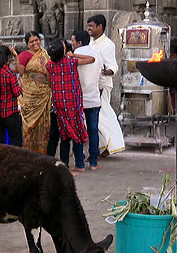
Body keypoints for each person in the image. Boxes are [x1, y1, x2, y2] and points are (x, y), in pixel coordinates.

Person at [46, 39, 89, 171]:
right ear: (64, 50)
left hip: (56, 105)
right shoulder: (71, 62)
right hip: (71, 106)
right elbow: (91, 59)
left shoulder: (49, 65)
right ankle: (69, 165)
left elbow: (49, 83)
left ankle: (50, 164)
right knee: (69, 135)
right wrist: (73, 54)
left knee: (55, 136)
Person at [86, 15, 123, 161]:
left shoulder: (107, 44)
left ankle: (113, 143)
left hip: (102, 84)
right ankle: (103, 146)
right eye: (88, 26)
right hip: (91, 84)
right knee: (93, 118)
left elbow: (113, 66)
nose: (89, 28)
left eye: (91, 26)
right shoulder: (90, 42)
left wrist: (104, 71)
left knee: (102, 116)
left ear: (100, 27)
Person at [15, 31, 52, 153]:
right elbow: (20, 71)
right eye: (31, 41)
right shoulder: (24, 55)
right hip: (30, 97)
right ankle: (28, 153)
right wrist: (16, 58)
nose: (35, 43)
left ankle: (41, 153)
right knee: (28, 128)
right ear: (27, 44)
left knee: (43, 126)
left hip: (44, 95)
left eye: (36, 40)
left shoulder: (45, 54)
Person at [77, 26, 104, 169]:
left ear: (79, 42)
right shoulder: (97, 55)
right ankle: (93, 162)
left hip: (77, 99)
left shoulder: (75, 54)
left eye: (73, 41)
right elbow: (101, 79)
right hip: (94, 98)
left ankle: (80, 161)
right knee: (93, 130)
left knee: (79, 130)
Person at [0, 45, 23, 147]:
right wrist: (20, 86)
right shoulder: (10, 74)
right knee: (16, 141)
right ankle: (16, 163)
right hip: (11, 113)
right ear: (7, 58)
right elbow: (17, 93)